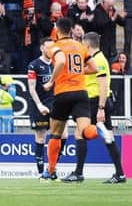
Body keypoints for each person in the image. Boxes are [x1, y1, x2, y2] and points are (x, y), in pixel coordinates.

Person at [40, 18, 97, 183]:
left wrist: (51, 81)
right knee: (85, 131)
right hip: (81, 93)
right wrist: (78, 74)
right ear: (71, 30)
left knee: (56, 133)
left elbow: (61, 61)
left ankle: (51, 171)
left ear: (57, 30)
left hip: (63, 93)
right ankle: (96, 130)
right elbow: (94, 68)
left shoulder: (55, 46)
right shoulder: (80, 46)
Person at [82, 32, 126, 184]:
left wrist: (101, 108)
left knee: (107, 137)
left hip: (97, 103)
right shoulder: (94, 60)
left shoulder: (98, 60)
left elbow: (102, 86)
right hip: (93, 102)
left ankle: (119, 174)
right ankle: (119, 174)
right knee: (106, 137)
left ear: (87, 45)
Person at [27, 37, 66, 177]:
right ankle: (40, 172)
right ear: (42, 48)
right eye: (48, 47)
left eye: (53, 47)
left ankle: (52, 167)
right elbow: (31, 88)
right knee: (41, 137)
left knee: (64, 134)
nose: (51, 50)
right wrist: (39, 105)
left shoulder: (58, 64)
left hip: (55, 103)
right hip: (40, 104)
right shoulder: (34, 65)